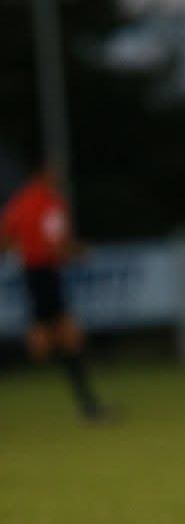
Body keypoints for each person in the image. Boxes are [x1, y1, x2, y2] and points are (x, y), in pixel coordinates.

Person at [0, 168, 108, 420]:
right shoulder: (50, 203)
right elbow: (58, 242)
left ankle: (88, 402)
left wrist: (19, 249)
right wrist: (78, 252)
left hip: (31, 272)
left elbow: (6, 235)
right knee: (63, 337)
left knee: (53, 334)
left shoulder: (20, 201)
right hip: (46, 273)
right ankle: (88, 403)